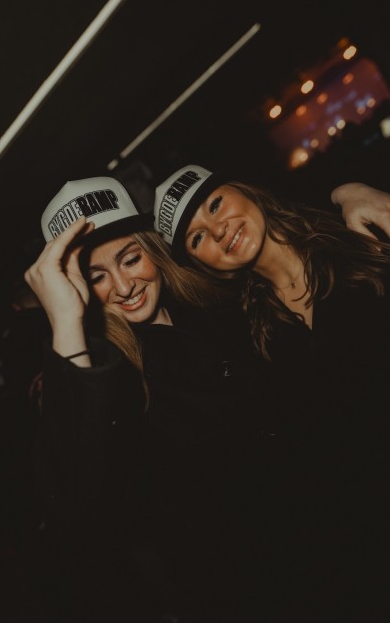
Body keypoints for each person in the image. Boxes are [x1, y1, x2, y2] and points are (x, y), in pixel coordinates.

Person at [25, 176, 278, 623]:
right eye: (96, 277)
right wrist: (65, 322)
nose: (124, 287)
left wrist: (349, 194)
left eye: (130, 259)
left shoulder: (212, 299)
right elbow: (80, 513)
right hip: (239, 584)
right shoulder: (105, 376)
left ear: (153, 249)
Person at [154, 165, 390, 618]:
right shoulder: (249, 334)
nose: (218, 230)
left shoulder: (355, 234)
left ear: (244, 189)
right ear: (199, 263)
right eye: (197, 238)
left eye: (215, 204)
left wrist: (348, 188)